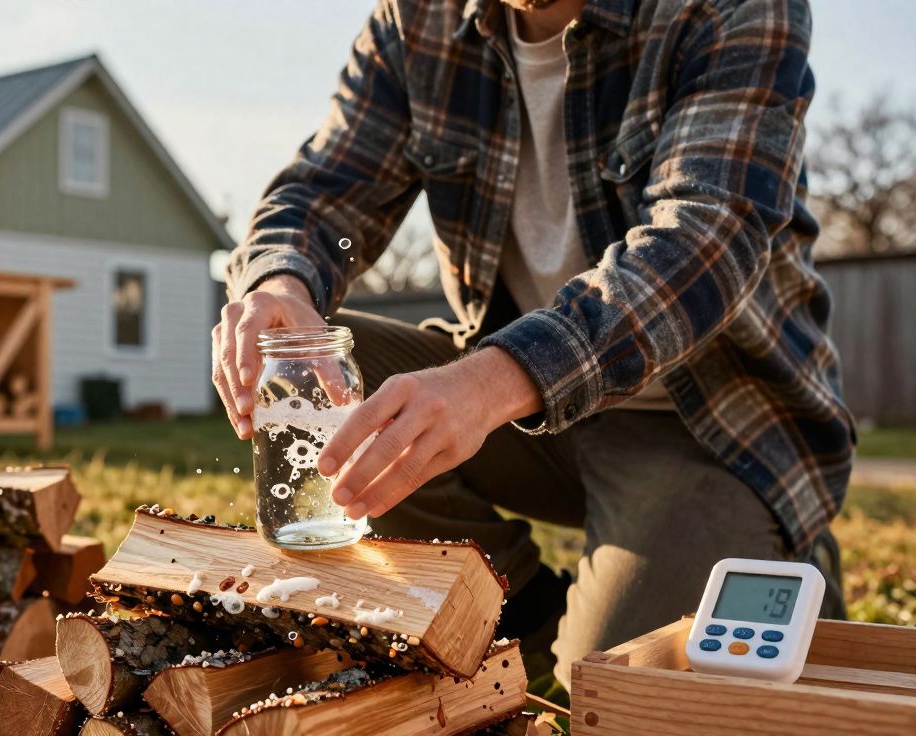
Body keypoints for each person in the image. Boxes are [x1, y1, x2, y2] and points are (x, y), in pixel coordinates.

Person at [213, 0, 852, 686]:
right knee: (337, 365)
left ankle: (771, 552)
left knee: (609, 691)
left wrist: (484, 385)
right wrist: (279, 284)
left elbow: (705, 241)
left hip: (706, 425)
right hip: (527, 415)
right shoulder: (416, 21)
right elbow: (325, 189)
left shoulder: (729, 9)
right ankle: (524, 611)